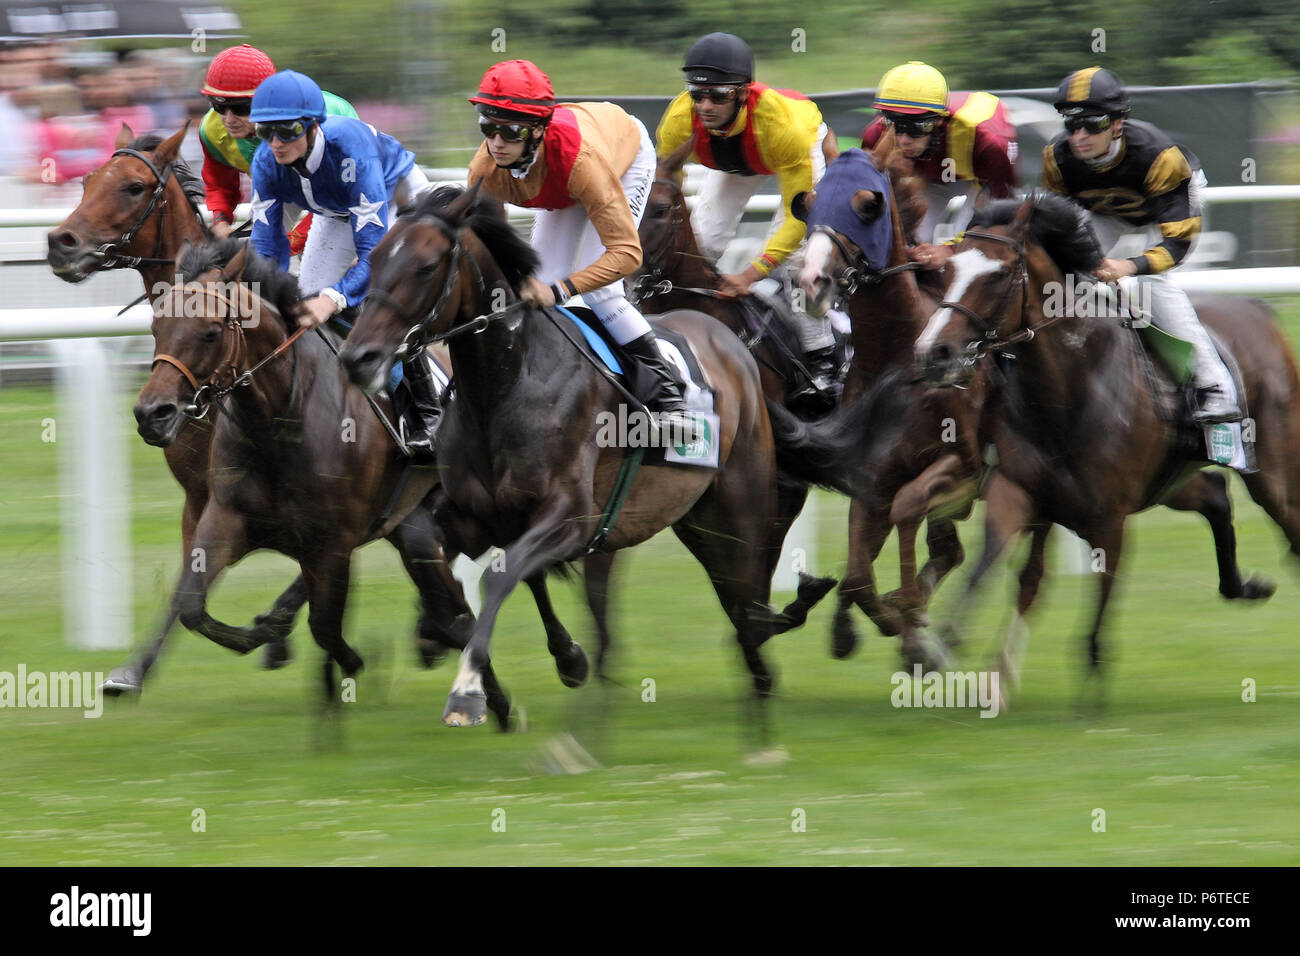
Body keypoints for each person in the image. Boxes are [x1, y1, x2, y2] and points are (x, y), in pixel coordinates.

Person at [467, 59, 700, 442]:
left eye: (509, 130)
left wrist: (563, 289)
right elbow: (494, 249)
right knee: (537, 287)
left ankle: (670, 399)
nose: (497, 143)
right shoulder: (484, 170)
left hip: (618, 158)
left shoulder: (582, 164)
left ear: (538, 130)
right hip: (564, 178)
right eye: (488, 127)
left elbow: (626, 255)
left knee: (599, 291)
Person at [247, 70, 444, 456]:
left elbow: (374, 252)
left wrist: (335, 297)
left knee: (382, 300)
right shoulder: (266, 162)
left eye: (286, 131)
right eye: (264, 132)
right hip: (336, 212)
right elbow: (267, 245)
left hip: (399, 198)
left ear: (312, 126)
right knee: (306, 308)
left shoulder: (350, 148)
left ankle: (426, 412)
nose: (274, 143)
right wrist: (259, 295)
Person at [1042, 66, 1238, 424]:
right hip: (1109, 210)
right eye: (1072, 125)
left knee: (1152, 282)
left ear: (1118, 124)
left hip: (1162, 208)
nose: (1080, 136)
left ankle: (1214, 385)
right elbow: (1061, 230)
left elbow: (1175, 246)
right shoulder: (1057, 159)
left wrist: (1127, 266)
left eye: (1094, 124)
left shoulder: (1161, 158)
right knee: (1066, 273)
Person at [656, 32, 840, 396]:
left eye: (718, 95)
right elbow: (665, 199)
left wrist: (750, 274)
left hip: (793, 148)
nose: (705, 106)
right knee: (702, 242)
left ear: (741, 93)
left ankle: (823, 355)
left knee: (799, 266)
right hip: (736, 159)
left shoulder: (782, 129)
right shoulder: (678, 120)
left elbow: (796, 220)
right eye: (697, 94)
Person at [199, 44, 357, 243]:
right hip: (279, 185)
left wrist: (295, 240)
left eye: (240, 108)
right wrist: (221, 221)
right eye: (218, 105)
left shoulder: (317, 126)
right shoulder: (211, 129)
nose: (228, 119)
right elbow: (219, 185)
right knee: (259, 252)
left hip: (337, 188)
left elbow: (338, 199)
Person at [861, 60, 1018, 251]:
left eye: (917, 127)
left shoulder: (988, 142)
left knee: (971, 247)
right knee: (910, 242)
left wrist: (949, 250)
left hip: (977, 177)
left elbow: (1000, 211)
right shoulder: (875, 136)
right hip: (929, 179)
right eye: (894, 125)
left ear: (938, 121)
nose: (903, 140)